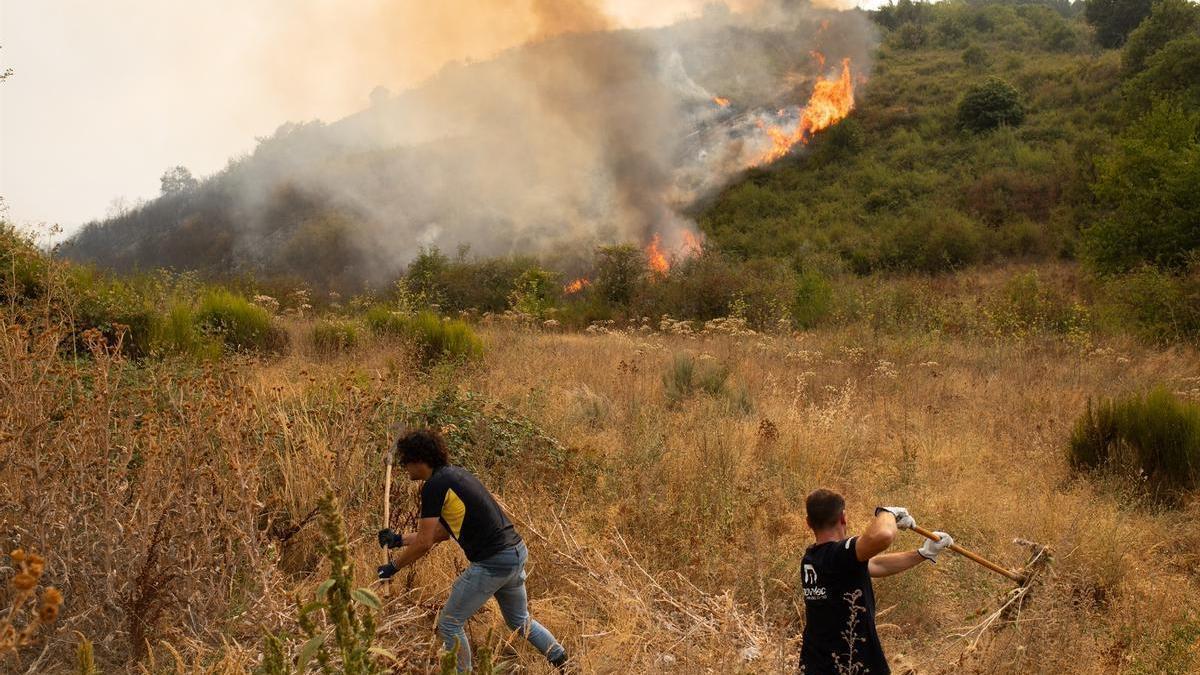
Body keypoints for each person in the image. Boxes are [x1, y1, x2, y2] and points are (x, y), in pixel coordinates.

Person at [377, 428, 568, 672]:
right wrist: (398, 540)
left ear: (417, 460)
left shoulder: (434, 486)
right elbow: (442, 533)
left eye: (406, 463)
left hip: (494, 562)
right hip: (515, 553)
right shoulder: (454, 476)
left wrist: (393, 567)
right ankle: (565, 662)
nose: (405, 468)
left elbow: (424, 543)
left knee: (449, 624)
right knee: (520, 620)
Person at [799, 489, 954, 674]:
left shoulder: (812, 558)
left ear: (808, 522)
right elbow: (883, 535)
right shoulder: (839, 554)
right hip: (851, 666)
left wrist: (923, 553)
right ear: (843, 518)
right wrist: (887, 513)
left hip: (814, 665)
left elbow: (876, 564)